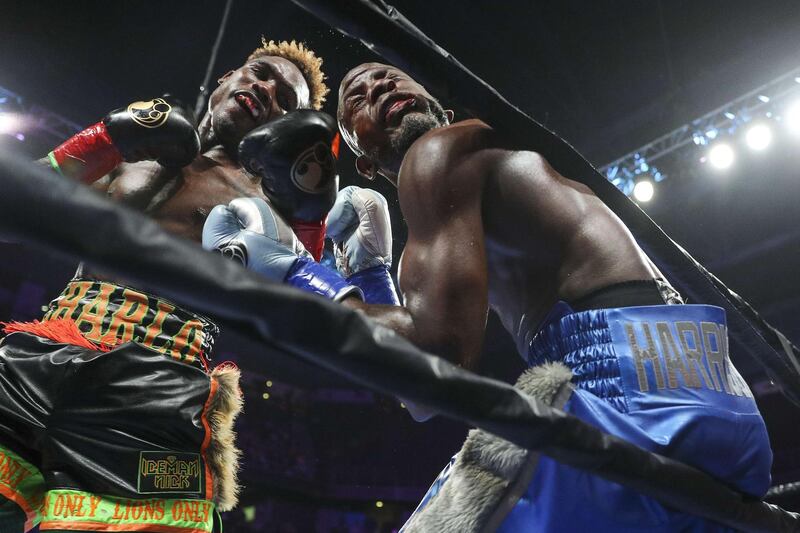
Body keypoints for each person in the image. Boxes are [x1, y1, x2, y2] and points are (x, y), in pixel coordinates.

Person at [207, 62, 773, 531]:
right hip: (724, 407)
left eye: (392, 76)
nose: (381, 86)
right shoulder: (467, 199)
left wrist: (296, 272)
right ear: (364, 160)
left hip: (628, 402)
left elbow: (443, 357)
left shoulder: (439, 153)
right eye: (358, 96)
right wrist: (372, 272)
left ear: (439, 106)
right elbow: (424, 395)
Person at [0, 38, 337, 533]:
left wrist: (310, 223)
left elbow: (300, 315)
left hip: (154, 379)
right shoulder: (133, 147)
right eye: (259, 73)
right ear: (226, 76)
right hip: (39, 353)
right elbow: (15, 212)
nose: (265, 90)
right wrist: (104, 137)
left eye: (286, 101)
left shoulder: (266, 205)